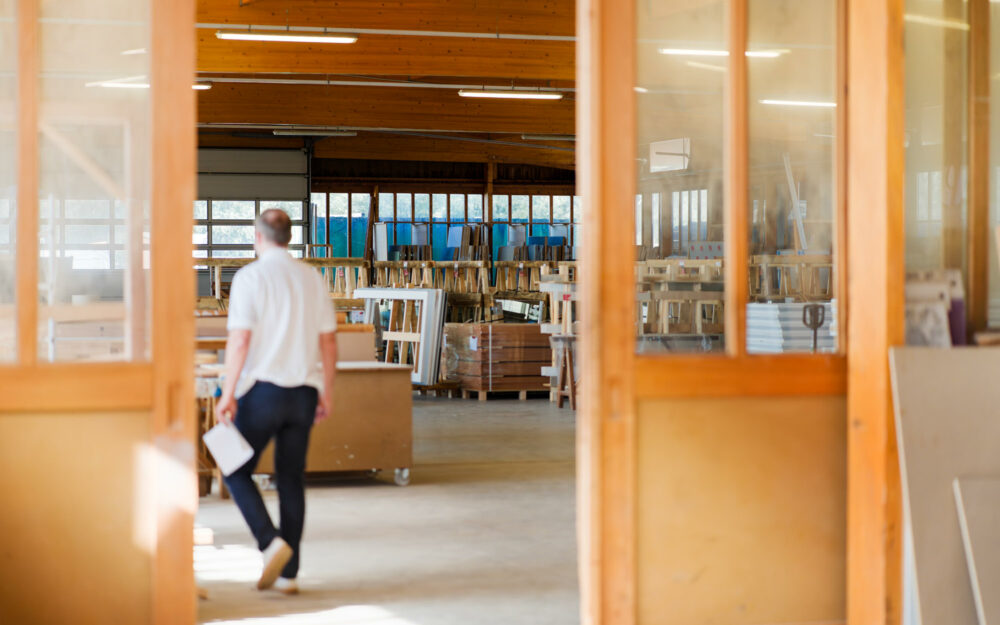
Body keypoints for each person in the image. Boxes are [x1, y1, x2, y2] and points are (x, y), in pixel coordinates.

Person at [215, 208, 338, 595]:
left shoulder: (250, 277)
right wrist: (326, 391)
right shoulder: (312, 278)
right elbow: (329, 342)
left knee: (233, 467)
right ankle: (290, 575)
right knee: (290, 478)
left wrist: (229, 392)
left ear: (258, 237)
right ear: (288, 237)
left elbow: (239, 341)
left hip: (263, 392)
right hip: (303, 392)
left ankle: (270, 542)